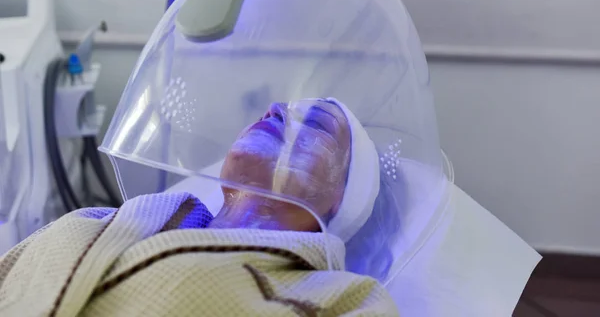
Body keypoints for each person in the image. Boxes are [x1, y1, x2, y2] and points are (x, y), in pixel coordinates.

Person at [0, 99, 399, 316]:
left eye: (315, 126)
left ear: (343, 198)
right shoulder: (99, 222)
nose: (276, 108)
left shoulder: (342, 299)